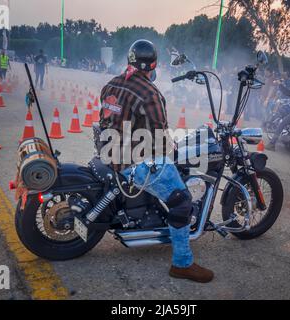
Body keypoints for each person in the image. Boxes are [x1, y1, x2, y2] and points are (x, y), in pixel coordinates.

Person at [76, 39, 214, 283]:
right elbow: (160, 138)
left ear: (130, 61)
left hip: (109, 153)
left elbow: (111, 122)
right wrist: (171, 149)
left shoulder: (111, 84)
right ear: (153, 65)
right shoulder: (150, 94)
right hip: (132, 162)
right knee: (182, 201)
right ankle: (182, 263)